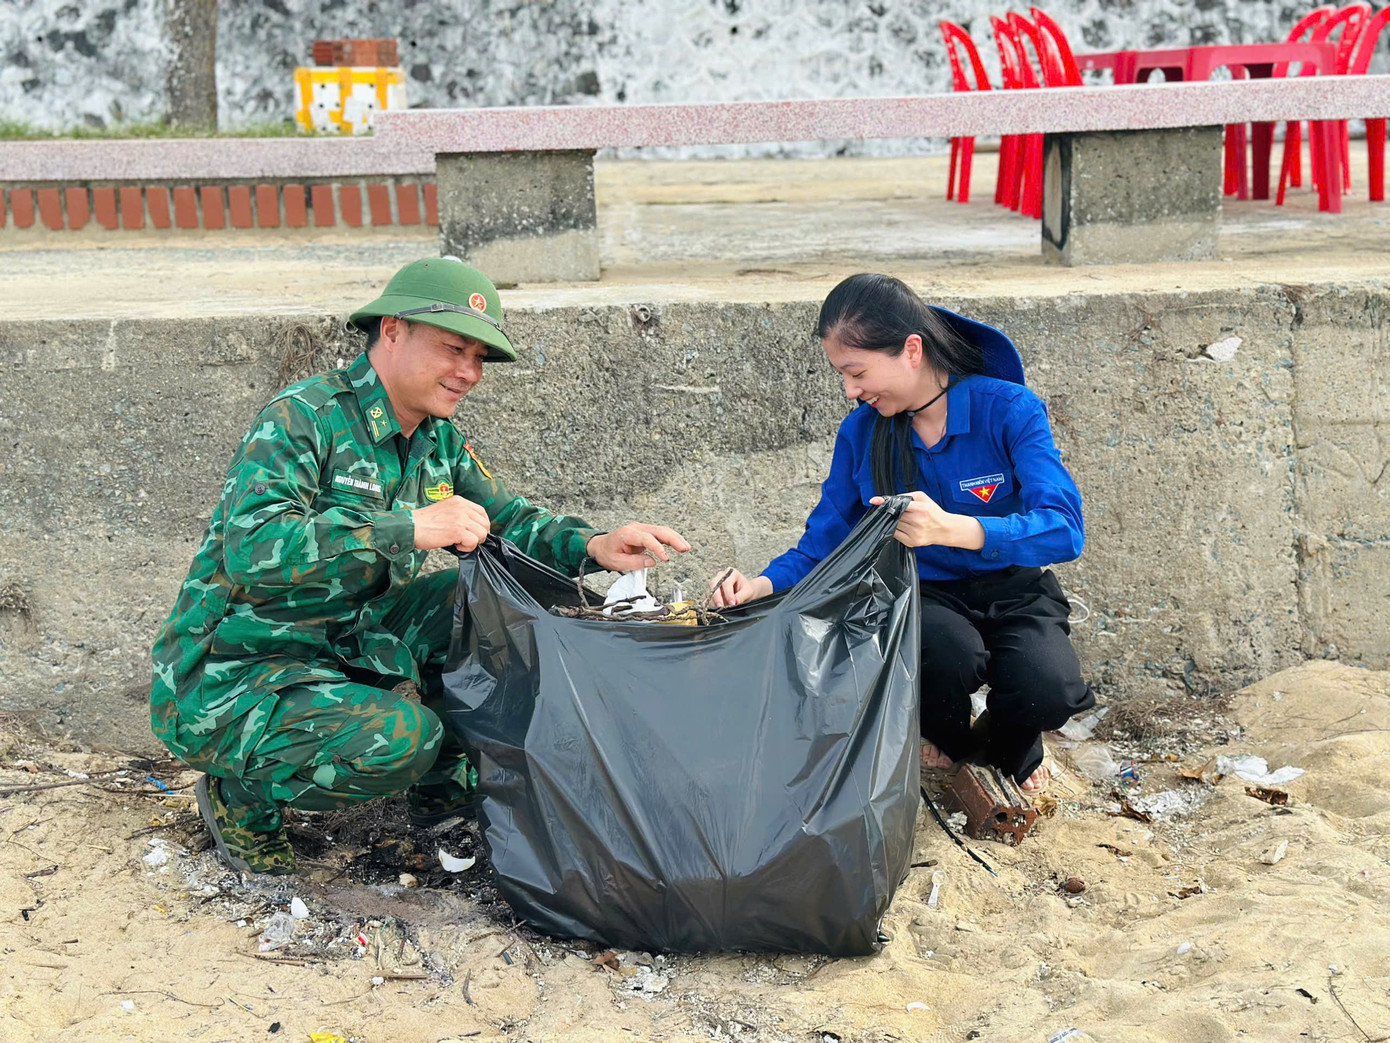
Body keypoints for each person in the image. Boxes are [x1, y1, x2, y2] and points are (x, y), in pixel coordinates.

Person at [150, 257, 690, 875]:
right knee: (404, 739)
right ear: (393, 331)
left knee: (485, 611)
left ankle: (443, 798)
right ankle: (240, 795)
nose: (468, 373)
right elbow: (255, 546)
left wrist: (593, 545)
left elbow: (508, 521)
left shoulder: (436, 441)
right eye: (453, 348)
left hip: (347, 640)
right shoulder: (304, 418)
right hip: (234, 673)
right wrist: (409, 526)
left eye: (480, 357)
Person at [710, 273, 1093, 792]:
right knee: (947, 653)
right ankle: (945, 739)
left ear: (912, 350)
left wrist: (957, 528)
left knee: (1047, 688)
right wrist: (759, 585)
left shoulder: (1008, 410)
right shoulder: (862, 432)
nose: (851, 390)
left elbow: (1065, 530)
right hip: (923, 594)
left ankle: (1006, 744)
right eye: (842, 376)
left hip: (1014, 587)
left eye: (858, 371)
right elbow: (826, 542)